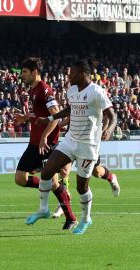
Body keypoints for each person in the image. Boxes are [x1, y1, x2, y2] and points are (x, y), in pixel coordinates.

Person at [33, 60, 117, 234]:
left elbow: (112, 116)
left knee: (81, 187)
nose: (68, 76)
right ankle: (43, 209)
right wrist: (49, 119)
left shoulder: (97, 92)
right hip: (70, 140)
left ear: (82, 74)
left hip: (88, 145)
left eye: (71, 73)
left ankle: (86, 219)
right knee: (47, 171)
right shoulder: (71, 90)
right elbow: (69, 110)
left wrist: (108, 129)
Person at [13, 57, 76, 229]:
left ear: (35, 72)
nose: (22, 75)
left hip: (46, 144)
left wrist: (44, 137)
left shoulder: (44, 90)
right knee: (20, 178)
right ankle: (50, 191)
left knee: (54, 182)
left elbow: (56, 116)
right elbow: (40, 115)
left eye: (25, 72)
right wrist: (26, 117)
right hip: (34, 143)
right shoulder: (33, 91)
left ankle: (71, 218)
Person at [51, 117, 121, 218]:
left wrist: (104, 130)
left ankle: (111, 177)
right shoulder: (75, 102)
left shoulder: (97, 101)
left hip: (89, 141)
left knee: (96, 172)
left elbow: (107, 116)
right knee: (64, 171)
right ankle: (63, 203)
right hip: (72, 139)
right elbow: (71, 115)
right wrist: (56, 125)